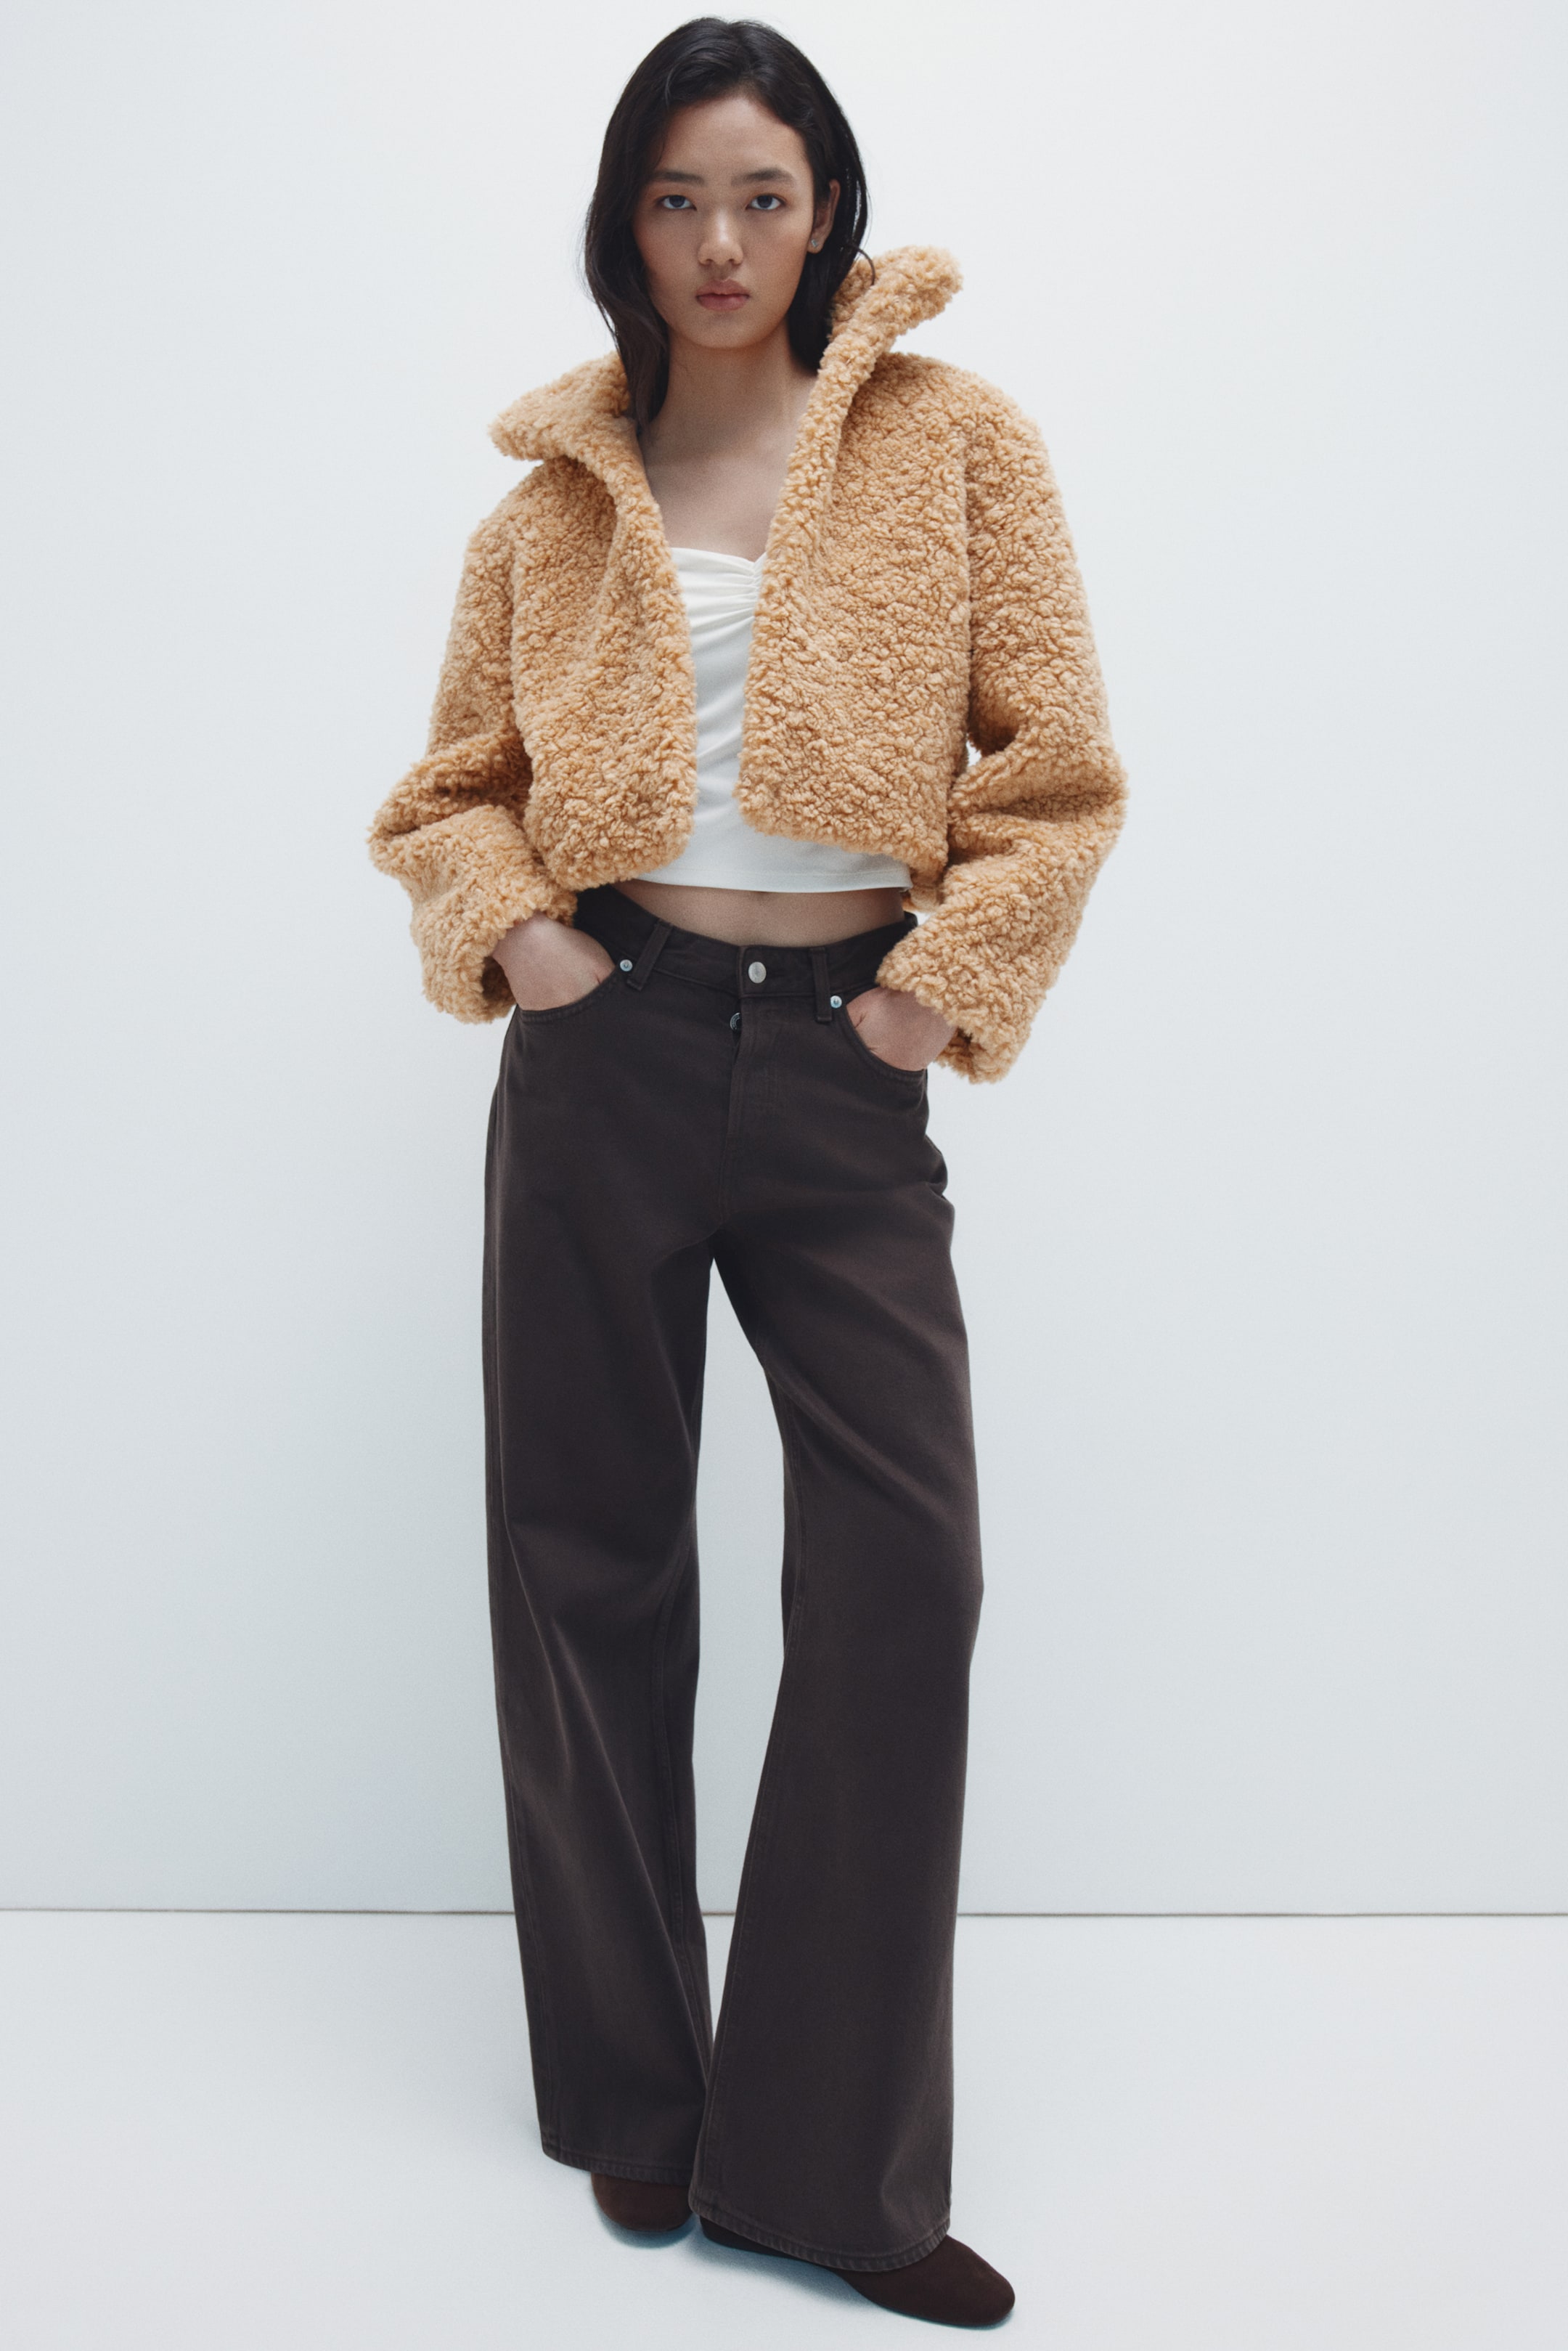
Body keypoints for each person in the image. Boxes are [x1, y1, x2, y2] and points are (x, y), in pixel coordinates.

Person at [369, 16, 1124, 2330]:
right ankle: (639, 2096)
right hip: (605, 1049)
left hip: (840, 1070)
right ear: (629, 218)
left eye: (762, 197)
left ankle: (825, 2169)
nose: (720, 240)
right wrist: (522, 939)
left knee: (907, 1571)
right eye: (678, 196)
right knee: (584, 1560)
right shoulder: (549, 502)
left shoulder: (955, 447)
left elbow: (1060, 774)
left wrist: (926, 996)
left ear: (827, 215)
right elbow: (450, 793)